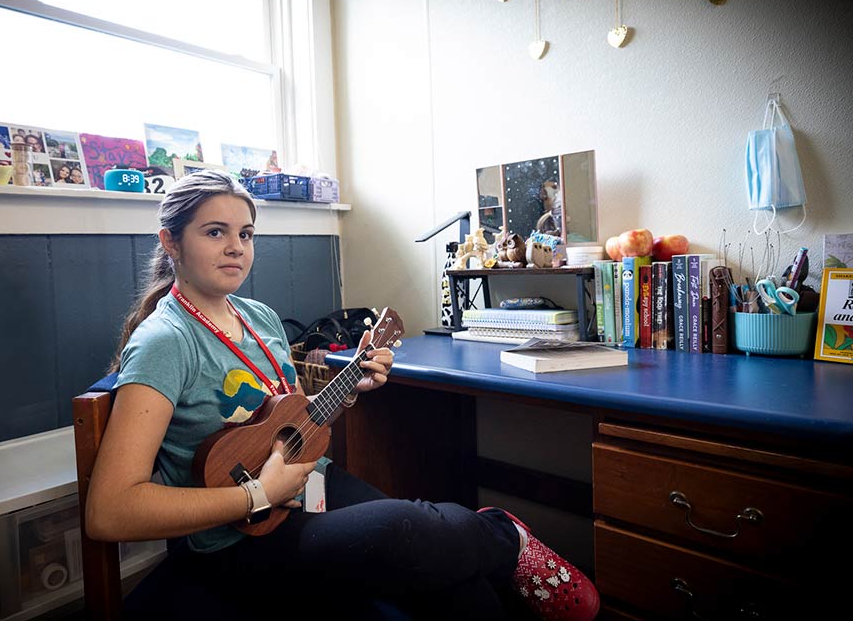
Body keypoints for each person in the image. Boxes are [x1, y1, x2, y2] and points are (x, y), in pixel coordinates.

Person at [87, 170, 599, 620]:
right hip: (236, 536)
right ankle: (505, 538)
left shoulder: (258, 317)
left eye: (245, 233)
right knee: (405, 527)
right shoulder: (164, 342)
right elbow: (109, 510)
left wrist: (352, 385)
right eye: (214, 232)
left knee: (453, 585)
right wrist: (258, 493)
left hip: (310, 488)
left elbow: (286, 420)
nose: (236, 247)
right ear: (170, 242)